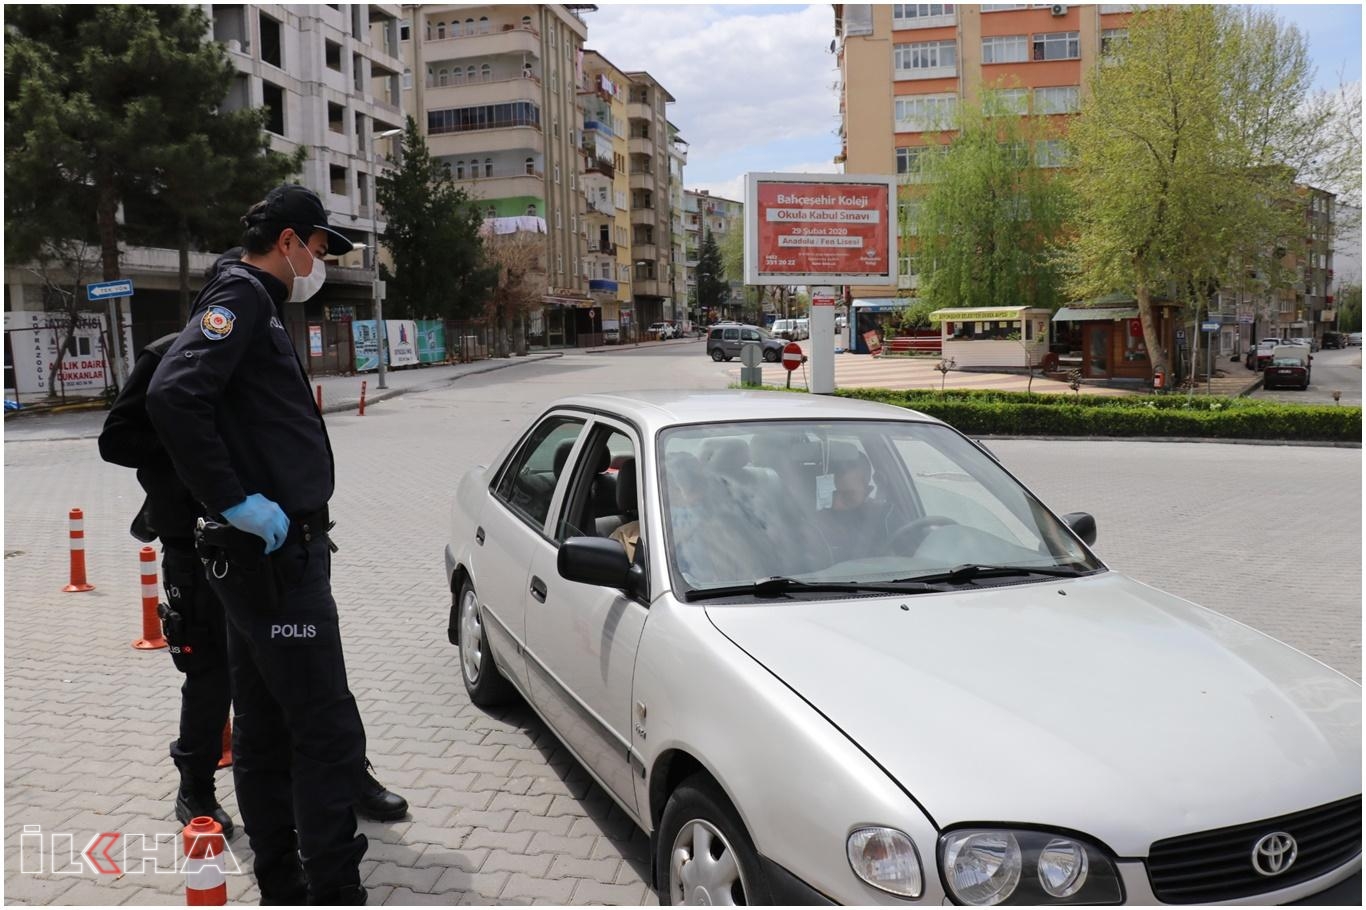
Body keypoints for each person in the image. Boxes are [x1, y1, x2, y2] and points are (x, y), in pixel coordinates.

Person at [99, 248, 409, 856]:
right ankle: (194, 784)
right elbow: (120, 438)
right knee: (211, 670)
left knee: (313, 674)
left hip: (260, 547)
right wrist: (204, 473)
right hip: (196, 541)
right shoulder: (172, 353)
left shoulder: (259, 353)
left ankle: (350, 776)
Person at [145, 186, 371, 905]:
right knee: (325, 732)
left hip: (263, 563)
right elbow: (174, 395)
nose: (322, 263)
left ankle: (282, 881)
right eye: (320, 249)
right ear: (290, 241)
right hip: (272, 564)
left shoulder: (255, 304)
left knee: (268, 725)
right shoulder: (241, 298)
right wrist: (233, 500)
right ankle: (332, 889)